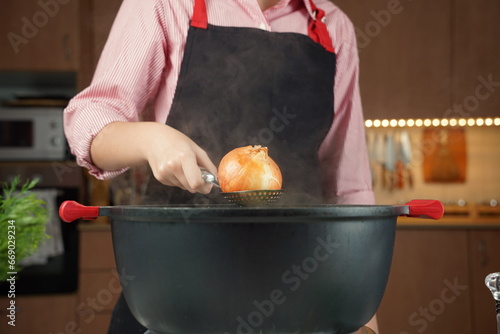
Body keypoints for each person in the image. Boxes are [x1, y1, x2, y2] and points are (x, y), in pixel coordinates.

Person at [64, 0, 378, 332]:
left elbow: (349, 191)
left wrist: (364, 320)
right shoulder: (166, 4)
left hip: (299, 299)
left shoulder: (332, 26)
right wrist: (150, 139)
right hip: (172, 294)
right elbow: (89, 119)